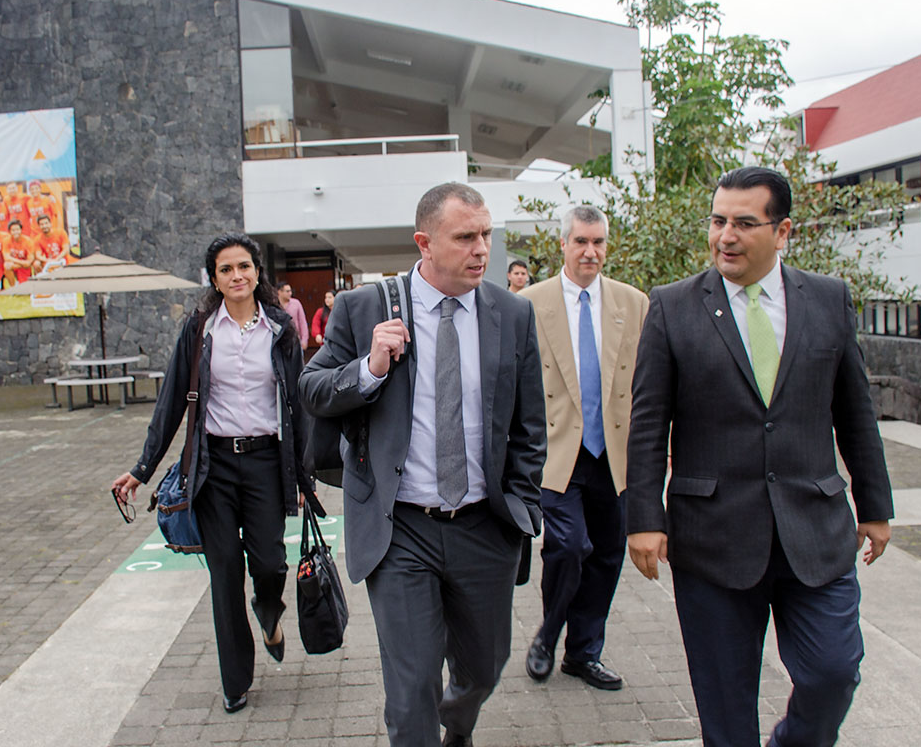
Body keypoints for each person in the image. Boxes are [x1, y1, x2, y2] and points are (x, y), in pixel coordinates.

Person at [625, 167, 894, 747]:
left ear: (783, 230)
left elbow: (854, 411)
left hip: (815, 531)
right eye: (719, 221)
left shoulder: (827, 299)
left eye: (745, 223)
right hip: (713, 539)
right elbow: (648, 424)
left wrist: (875, 506)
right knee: (725, 712)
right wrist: (645, 519)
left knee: (833, 672)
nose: (726, 235)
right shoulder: (672, 308)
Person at [299, 182, 546, 747]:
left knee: (483, 671)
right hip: (400, 529)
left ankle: (455, 730)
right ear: (424, 243)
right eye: (465, 237)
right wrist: (370, 367)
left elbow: (531, 422)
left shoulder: (512, 314)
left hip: (485, 526)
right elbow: (311, 388)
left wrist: (524, 502)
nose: (482, 249)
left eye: (486, 235)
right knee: (411, 694)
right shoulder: (364, 309)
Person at [111, 233, 312, 715]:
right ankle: (235, 680)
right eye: (226, 269)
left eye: (244, 266)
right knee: (224, 575)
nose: (237, 275)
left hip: (266, 462)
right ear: (215, 279)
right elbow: (172, 401)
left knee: (268, 563)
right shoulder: (200, 329)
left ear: (257, 272)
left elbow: (299, 405)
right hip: (212, 468)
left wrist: (303, 475)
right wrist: (143, 469)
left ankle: (269, 611)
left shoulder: (281, 329)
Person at [521, 205, 648, 690]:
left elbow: (648, 386)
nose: (590, 252)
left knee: (607, 555)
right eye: (580, 242)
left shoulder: (633, 303)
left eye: (598, 242)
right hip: (557, 453)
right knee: (570, 547)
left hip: (613, 456)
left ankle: (583, 652)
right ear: (563, 245)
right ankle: (548, 635)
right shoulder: (530, 304)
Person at [276, 281, 309, 349]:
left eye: (290, 291)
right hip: (279, 341)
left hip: (295, 340)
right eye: (287, 291)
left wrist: (304, 340)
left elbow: (302, 322)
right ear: (279, 292)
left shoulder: (296, 303)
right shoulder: (274, 305)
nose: (290, 293)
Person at [2, 220, 36, 286]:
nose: (15, 232)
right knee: (7, 265)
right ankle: (13, 287)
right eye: (13, 230)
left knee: (25, 288)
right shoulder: (6, 241)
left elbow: (29, 261)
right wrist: (22, 262)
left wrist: (23, 263)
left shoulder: (28, 241)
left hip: (24, 267)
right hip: (18, 264)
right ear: (9, 231)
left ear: (21, 230)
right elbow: (6, 257)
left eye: (17, 229)